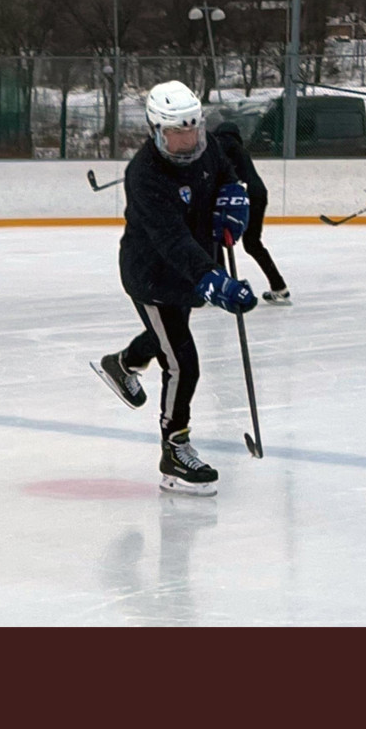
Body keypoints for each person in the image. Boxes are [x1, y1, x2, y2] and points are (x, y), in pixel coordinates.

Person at [99, 81, 257, 496]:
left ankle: (123, 364)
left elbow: (226, 171)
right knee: (182, 361)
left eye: (192, 132)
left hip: (189, 268)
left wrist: (232, 197)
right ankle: (174, 449)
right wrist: (212, 279)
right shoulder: (145, 174)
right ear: (156, 131)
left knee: (166, 339)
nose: (187, 143)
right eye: (176, 134)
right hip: (154, 274)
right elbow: (171, 240)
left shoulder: (207, 149)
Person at [213, 120, 291, 303]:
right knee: (253, 243)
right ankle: (279, 286)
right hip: (258, 193)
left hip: (239, 195)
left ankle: (223, 287)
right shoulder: (239, 149)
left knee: (215, 238)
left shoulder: (221, 144)